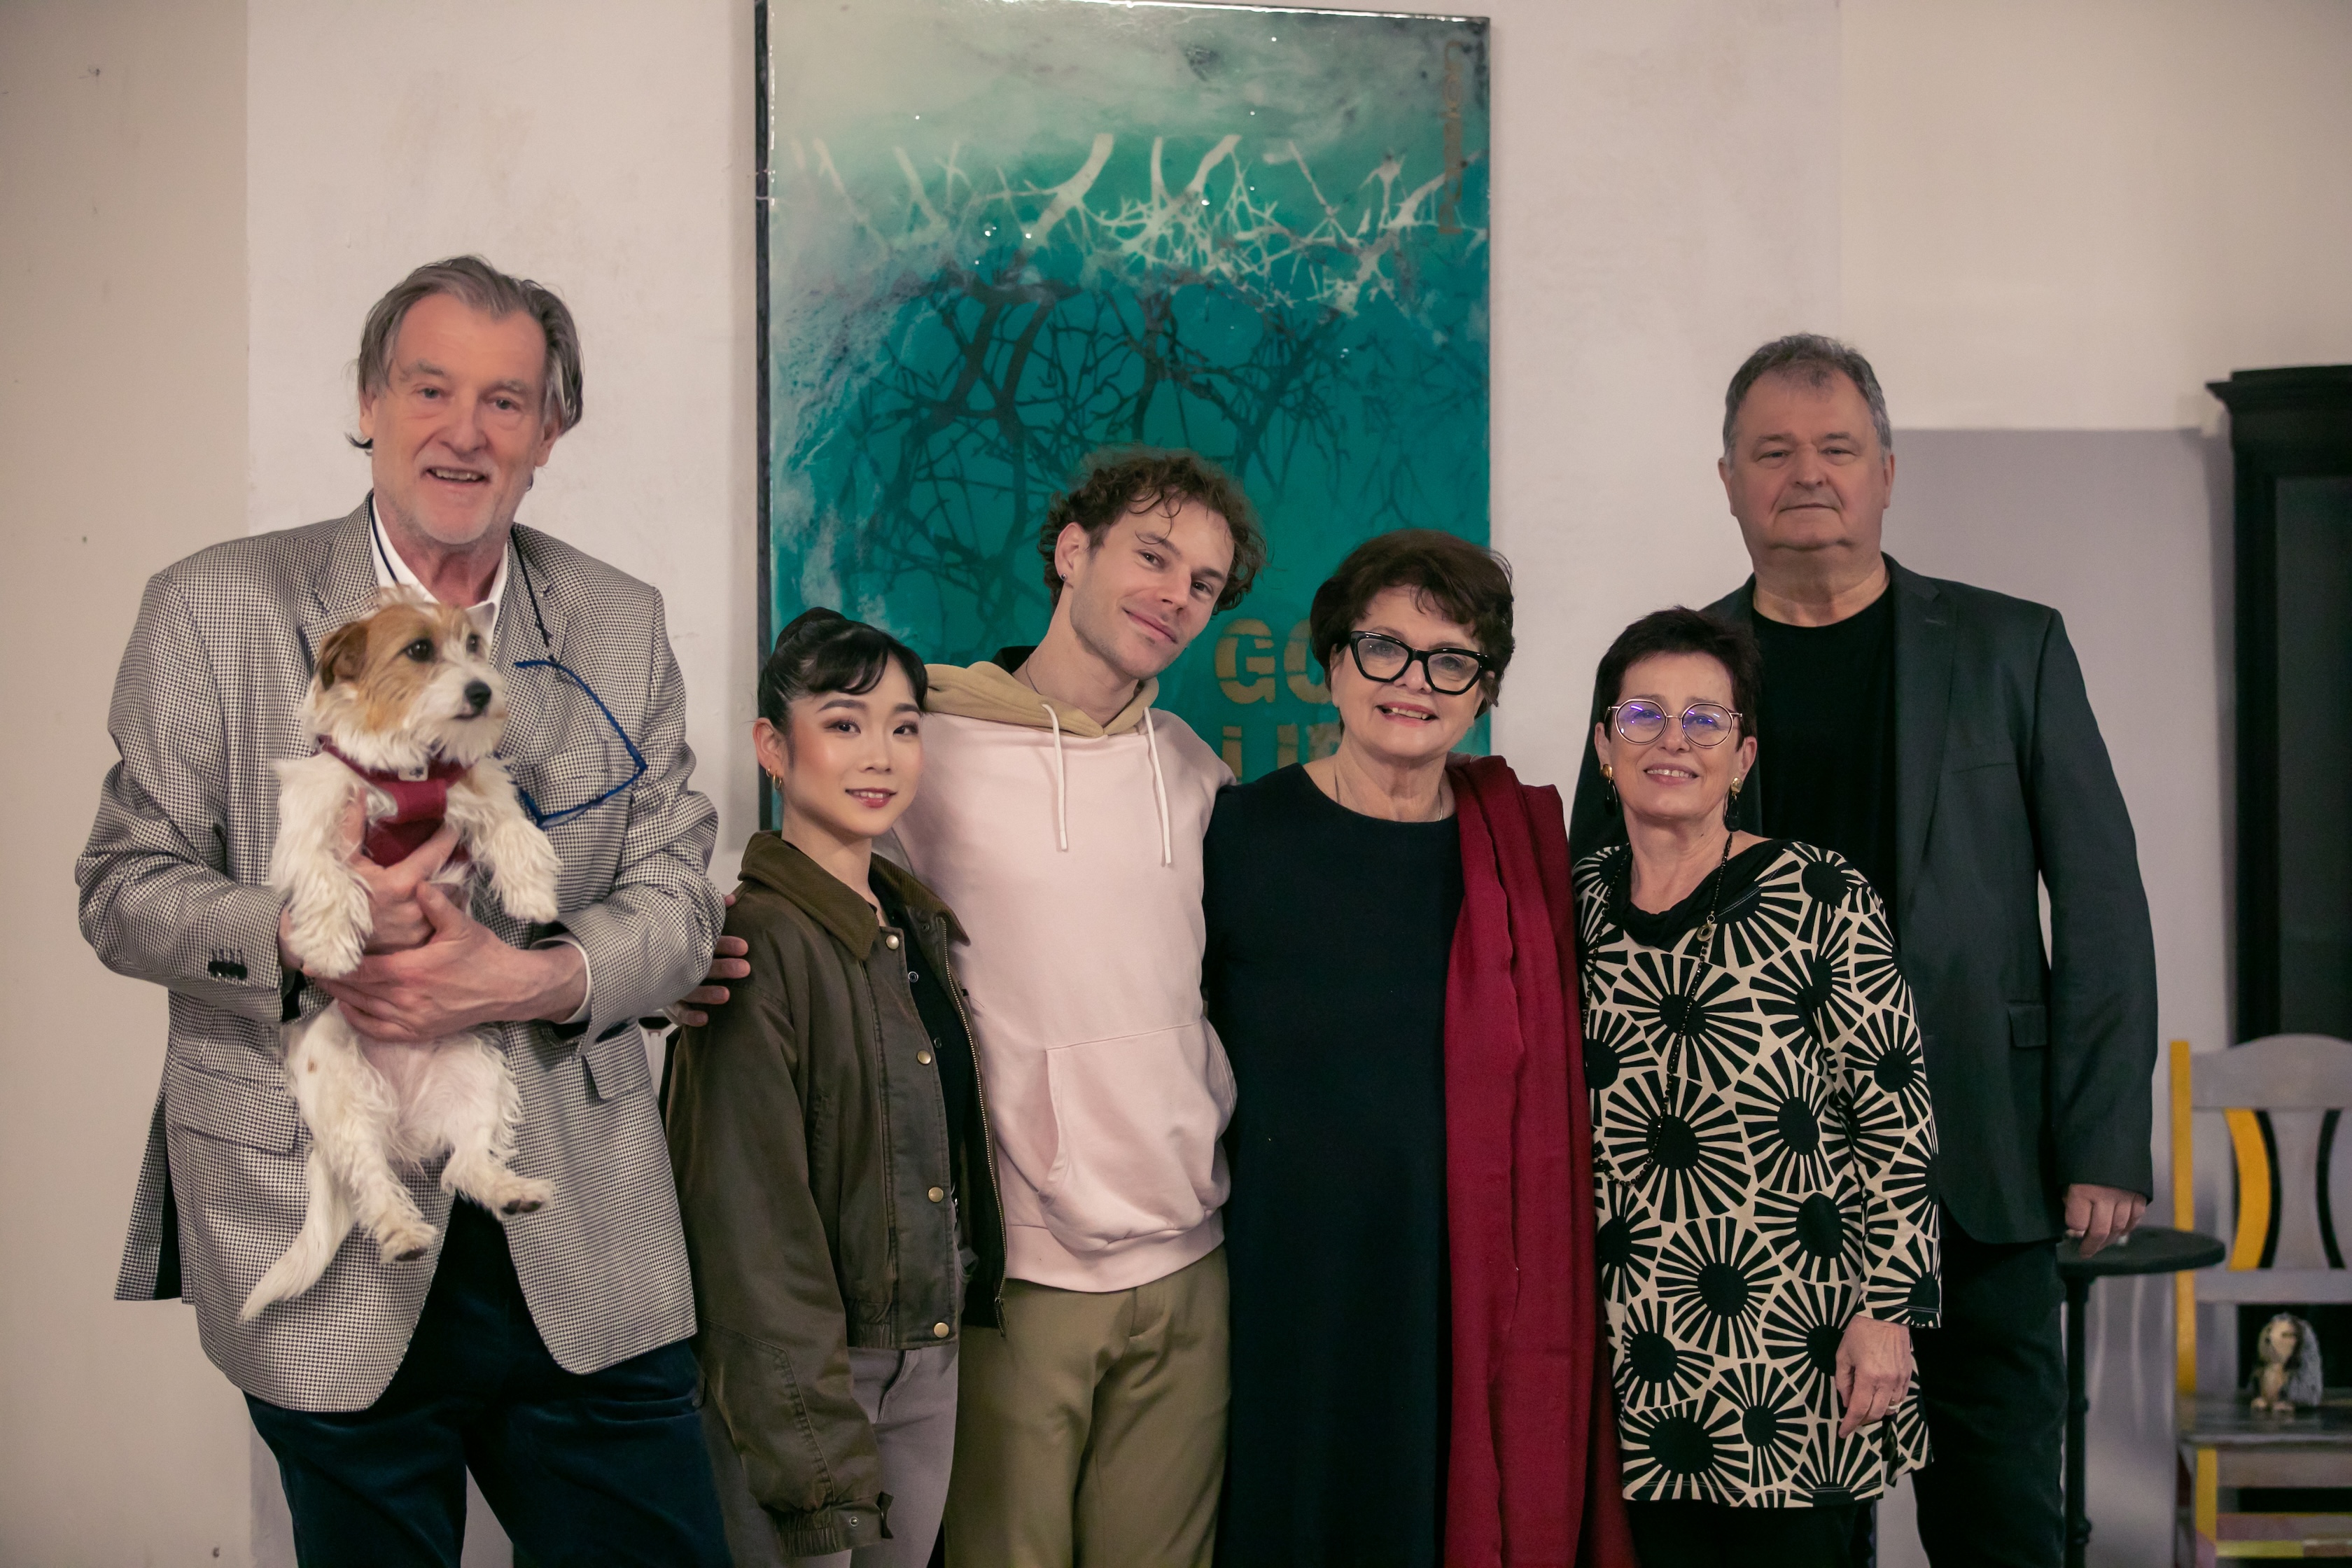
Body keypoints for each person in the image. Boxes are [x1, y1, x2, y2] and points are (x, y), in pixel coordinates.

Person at [78, 255, 729, 1564]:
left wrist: (534, 977)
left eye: (506, 401)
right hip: (314, 1196)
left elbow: (678, 899)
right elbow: (123, 887)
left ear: (551, 432)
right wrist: (298, 932)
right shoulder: (211, 607)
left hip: (579, 1222)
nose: (464, 431)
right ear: (369, 403)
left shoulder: (618, 620)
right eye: (430, 389)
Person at [1569, 335, 2158, 1568]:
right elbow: (1599, 920)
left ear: (1886, 471)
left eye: (1837, 448)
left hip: (1980, 1163)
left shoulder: (2010, 646)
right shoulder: (1671, 679)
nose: (1808, 474)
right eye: (1772, 451)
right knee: (1800, 1535)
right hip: (1746, 1211)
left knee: (2003, 1525)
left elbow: (2101, 899)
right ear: (1726, 481)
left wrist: (2101, 1137)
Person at [1206, 531, 1632, 1568]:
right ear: (1332, 662)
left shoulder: (1519, 852)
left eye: (1451, 660)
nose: (1414, 682)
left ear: (1483, 690)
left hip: (1462, 1272)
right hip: (1289, 1269)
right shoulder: (1239, 835)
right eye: (1385, 648)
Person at [1577, 607, 1940, 1567]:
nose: (1673, 740)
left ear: (1742, 758)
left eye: (1705, 720)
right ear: (1605, 745)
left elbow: (1894, 1113)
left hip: (1795, 1347)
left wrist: (1888, 1314)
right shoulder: (1571, 905)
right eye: (1644, 715)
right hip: (1627, 1351)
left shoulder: (1820, 894)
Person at [666, 608, 999, 1567]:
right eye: (844, 723)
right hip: (807, 1385)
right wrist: (807, 1444)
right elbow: (751, 1239)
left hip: (926, 1357)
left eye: (903, 726)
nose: (880, 754)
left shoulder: (913, 924)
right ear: (773, 747)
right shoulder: (753, 943)